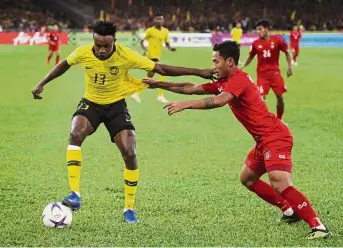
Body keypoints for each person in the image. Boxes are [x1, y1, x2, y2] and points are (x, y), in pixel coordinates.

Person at [142, 41, 331, 239]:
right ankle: (289, 210)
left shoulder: (238, 80)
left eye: (216, 61)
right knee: (247, 179)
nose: (213, 66)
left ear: (230, 62)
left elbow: (219, 101)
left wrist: (186, 105)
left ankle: (318, 227)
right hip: (263, 139)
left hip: (275, 136)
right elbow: (192, 87)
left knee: (280, 183)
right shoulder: (225, 81)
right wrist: (159, 84)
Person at [31, 21, 214, 224]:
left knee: (129, 152)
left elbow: (160, 67)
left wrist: (198, 72)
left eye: (105, 46)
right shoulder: (83, 52)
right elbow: (64, 64)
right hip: (91, 102)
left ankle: (129, 208)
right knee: (76, 133)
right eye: (97, 45)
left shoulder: (126, 55)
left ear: (114, 42)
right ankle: (74, 194)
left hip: (116, 107)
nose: (100, 50)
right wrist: (41, 83)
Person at [241, 19, 292, 120]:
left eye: (260, 29)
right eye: (257, 30)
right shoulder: (255, 43)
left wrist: (289, 67)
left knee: (280, 97)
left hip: (275, 74)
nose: (258, 32)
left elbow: (287, 52)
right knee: (261, 99)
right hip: (262, 75)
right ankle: (262, 120)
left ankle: (279, 120)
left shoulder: (277, 40)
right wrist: (242, 66)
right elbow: (251, 56)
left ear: (267, 29)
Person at [131, 13, 176, 104]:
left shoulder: (165, 31)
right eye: (158, 19)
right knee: (163, 72)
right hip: (151, 56)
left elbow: (167, 43)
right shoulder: (150, 31)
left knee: (149, 77)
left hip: (157, 56)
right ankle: (160, 96)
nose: (159, 21)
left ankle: (136, 93)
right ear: (154, 20)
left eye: (161, 19)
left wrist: (171, 48)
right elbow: (142, 41)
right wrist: (145, 50)